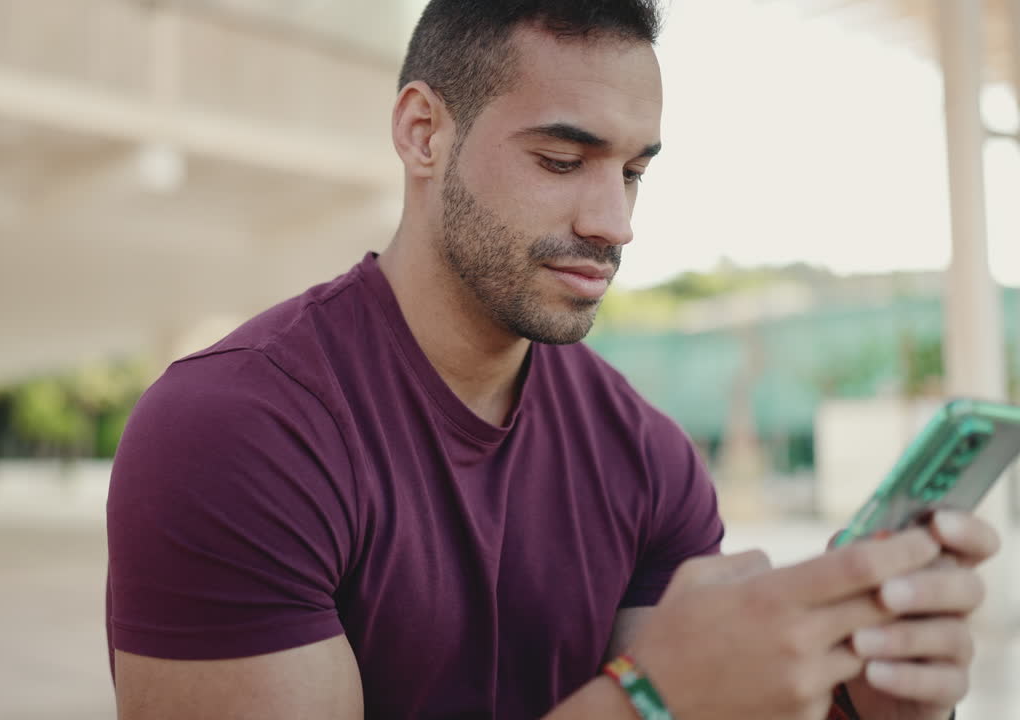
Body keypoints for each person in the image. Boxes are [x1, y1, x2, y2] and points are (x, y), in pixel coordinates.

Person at [105, 1, 1001, 718]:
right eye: (563, 159)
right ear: (423, 133)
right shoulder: (235, 430)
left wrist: (862, 701)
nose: (615, 223)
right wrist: (654, 699)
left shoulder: (647, 457)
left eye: (634, 171)